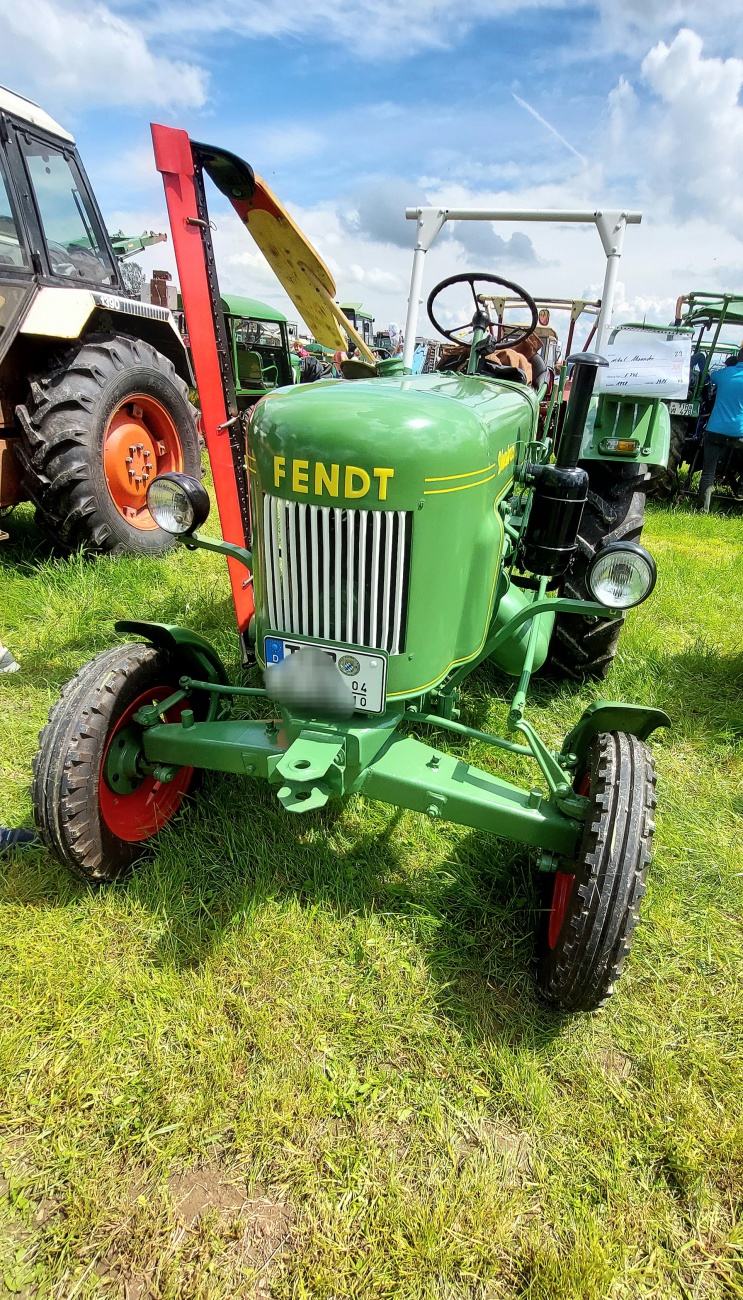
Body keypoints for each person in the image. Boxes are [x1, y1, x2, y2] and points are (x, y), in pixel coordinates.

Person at [697, 345, 743, 511]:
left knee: (708, 471)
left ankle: (703, 509)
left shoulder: (725, 374)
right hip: (740, 433)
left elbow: (710, 377)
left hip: (715, 429)